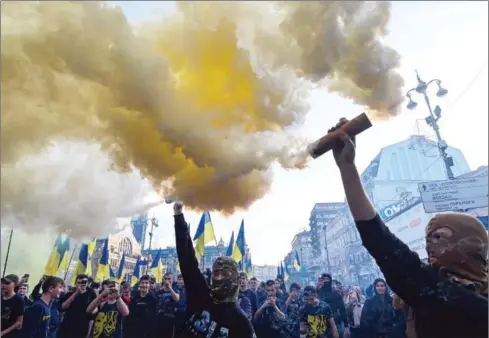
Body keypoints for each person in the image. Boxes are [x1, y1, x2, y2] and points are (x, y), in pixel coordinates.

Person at [330, 118, 489, 338]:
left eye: (440, 238)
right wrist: (347, 168)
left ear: (471, 244)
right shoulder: (428, 289)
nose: (431, 247)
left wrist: (348, 168)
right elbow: (380, 243)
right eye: (428, 239)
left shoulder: (448, 295)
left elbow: (381, 241)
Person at [173, 201, 255, 337]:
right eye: (216, 273)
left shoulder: (241, 322)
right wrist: (178, 215)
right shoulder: (201, 295)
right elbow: (187, 259)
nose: (219, 278)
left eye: (225, 274)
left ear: (235, 278)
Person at [58, 274, 97, 338]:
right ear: (75, 283)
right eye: (79, 282)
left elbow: (93, 313)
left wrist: (88, 333)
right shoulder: (69, 294)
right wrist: (76, 293)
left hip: (81, 330)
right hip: (66, 328)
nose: (82, 284)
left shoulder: (91, 294)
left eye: (84, 282)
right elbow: (63, 307)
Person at [154, 272, 180, 337]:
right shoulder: (159, 292)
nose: (167, 280)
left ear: (172, 280)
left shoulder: (176, 290)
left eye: (169, 278)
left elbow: (176, 298)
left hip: (170, 320)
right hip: (159, 319)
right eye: (166, 279)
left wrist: (170, 288)